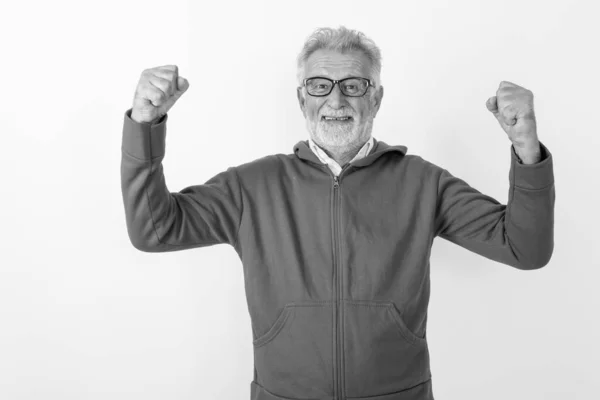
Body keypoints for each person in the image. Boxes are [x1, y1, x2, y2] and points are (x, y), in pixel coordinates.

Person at [120, 26, 554, 400]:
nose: (336, 99)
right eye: (319, 85)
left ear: (376, 98)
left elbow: (525, 248)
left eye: (353, 85)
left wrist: (526, 148)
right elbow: (154, 231)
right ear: (301, 98)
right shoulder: (250, 186)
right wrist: (144, 125)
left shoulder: (424, 183)